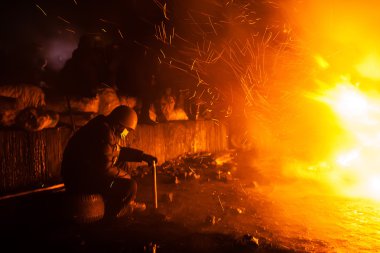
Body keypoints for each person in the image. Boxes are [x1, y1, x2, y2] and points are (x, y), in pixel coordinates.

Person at [61, 105, 157, 219]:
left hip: (85, 172)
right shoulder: (104, 133)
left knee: (123, 164)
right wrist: (126, 177)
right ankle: (115, 211)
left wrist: (142, 156)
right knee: (131, 186)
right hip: (80, 180)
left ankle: (126, 201)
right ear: (120, 125)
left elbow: (117, 152)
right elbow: (104, 169)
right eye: (127, 130)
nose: (126, 133)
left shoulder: (105, 127)